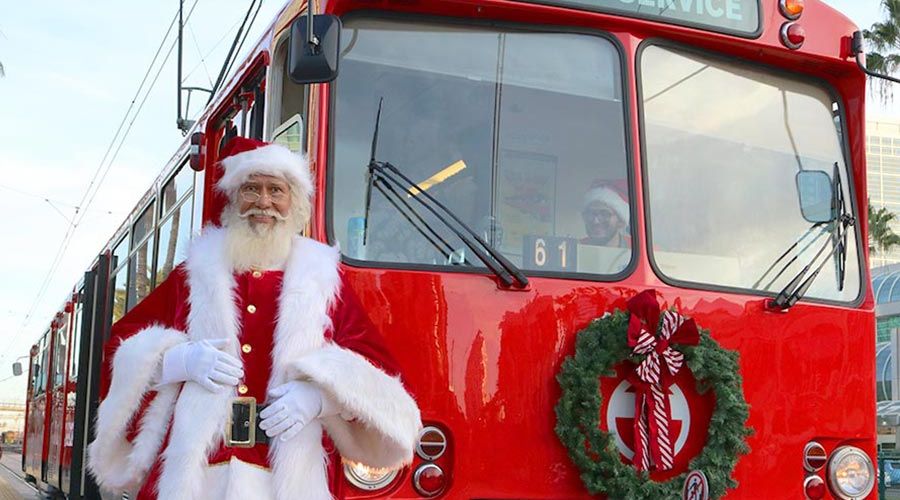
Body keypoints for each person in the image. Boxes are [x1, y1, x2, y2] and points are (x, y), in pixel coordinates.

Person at [87, 137, 422, 500]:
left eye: (276, 190)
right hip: (198, 475)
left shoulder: (323, 278)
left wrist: (320, 399)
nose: (264, 202)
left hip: (285, 476)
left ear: (293, 201)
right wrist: (175, 361)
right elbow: (121, 347)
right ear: (233, 198)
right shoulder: (195, 273)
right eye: (251, 188)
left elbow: (376, 371)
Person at [580, 181, 630, 248]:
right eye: (591, 213)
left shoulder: (636, 247)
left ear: (621, 221)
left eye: (605, 214)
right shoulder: (576, 247)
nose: (596, 221)